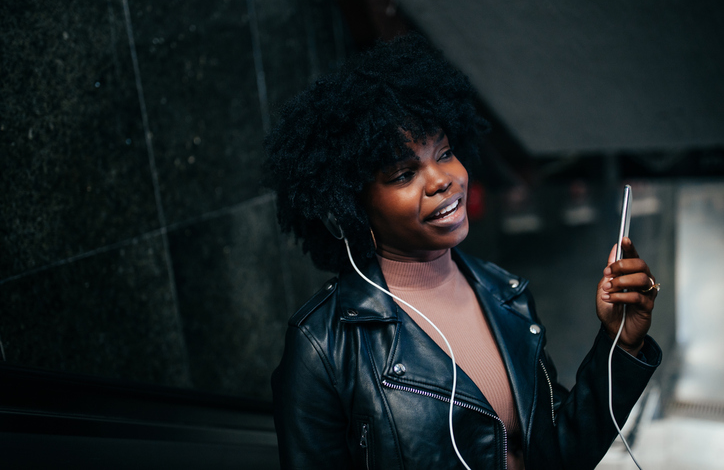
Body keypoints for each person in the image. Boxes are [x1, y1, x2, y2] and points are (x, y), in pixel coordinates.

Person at [263, 33, 661, 470]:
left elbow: (557, 454)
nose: (442, 180)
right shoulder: (322, 346)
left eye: (445, 152)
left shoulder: (503, 292)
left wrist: (621, 344)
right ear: (351, 206)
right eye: (403, 173)